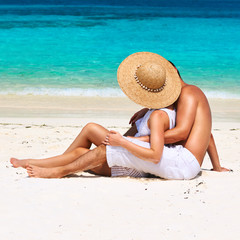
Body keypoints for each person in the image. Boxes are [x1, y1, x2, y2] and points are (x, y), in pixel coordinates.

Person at [21, 52, 215, 179]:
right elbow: (206, 133)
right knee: (91, 136)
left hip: (182, 162)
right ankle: (48, 163)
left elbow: (182, 133)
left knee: (98, 150)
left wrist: (132, 140)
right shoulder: (172, 103)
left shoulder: (188, 93)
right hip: (177, 159)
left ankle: (58, 170)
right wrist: (217, 166)